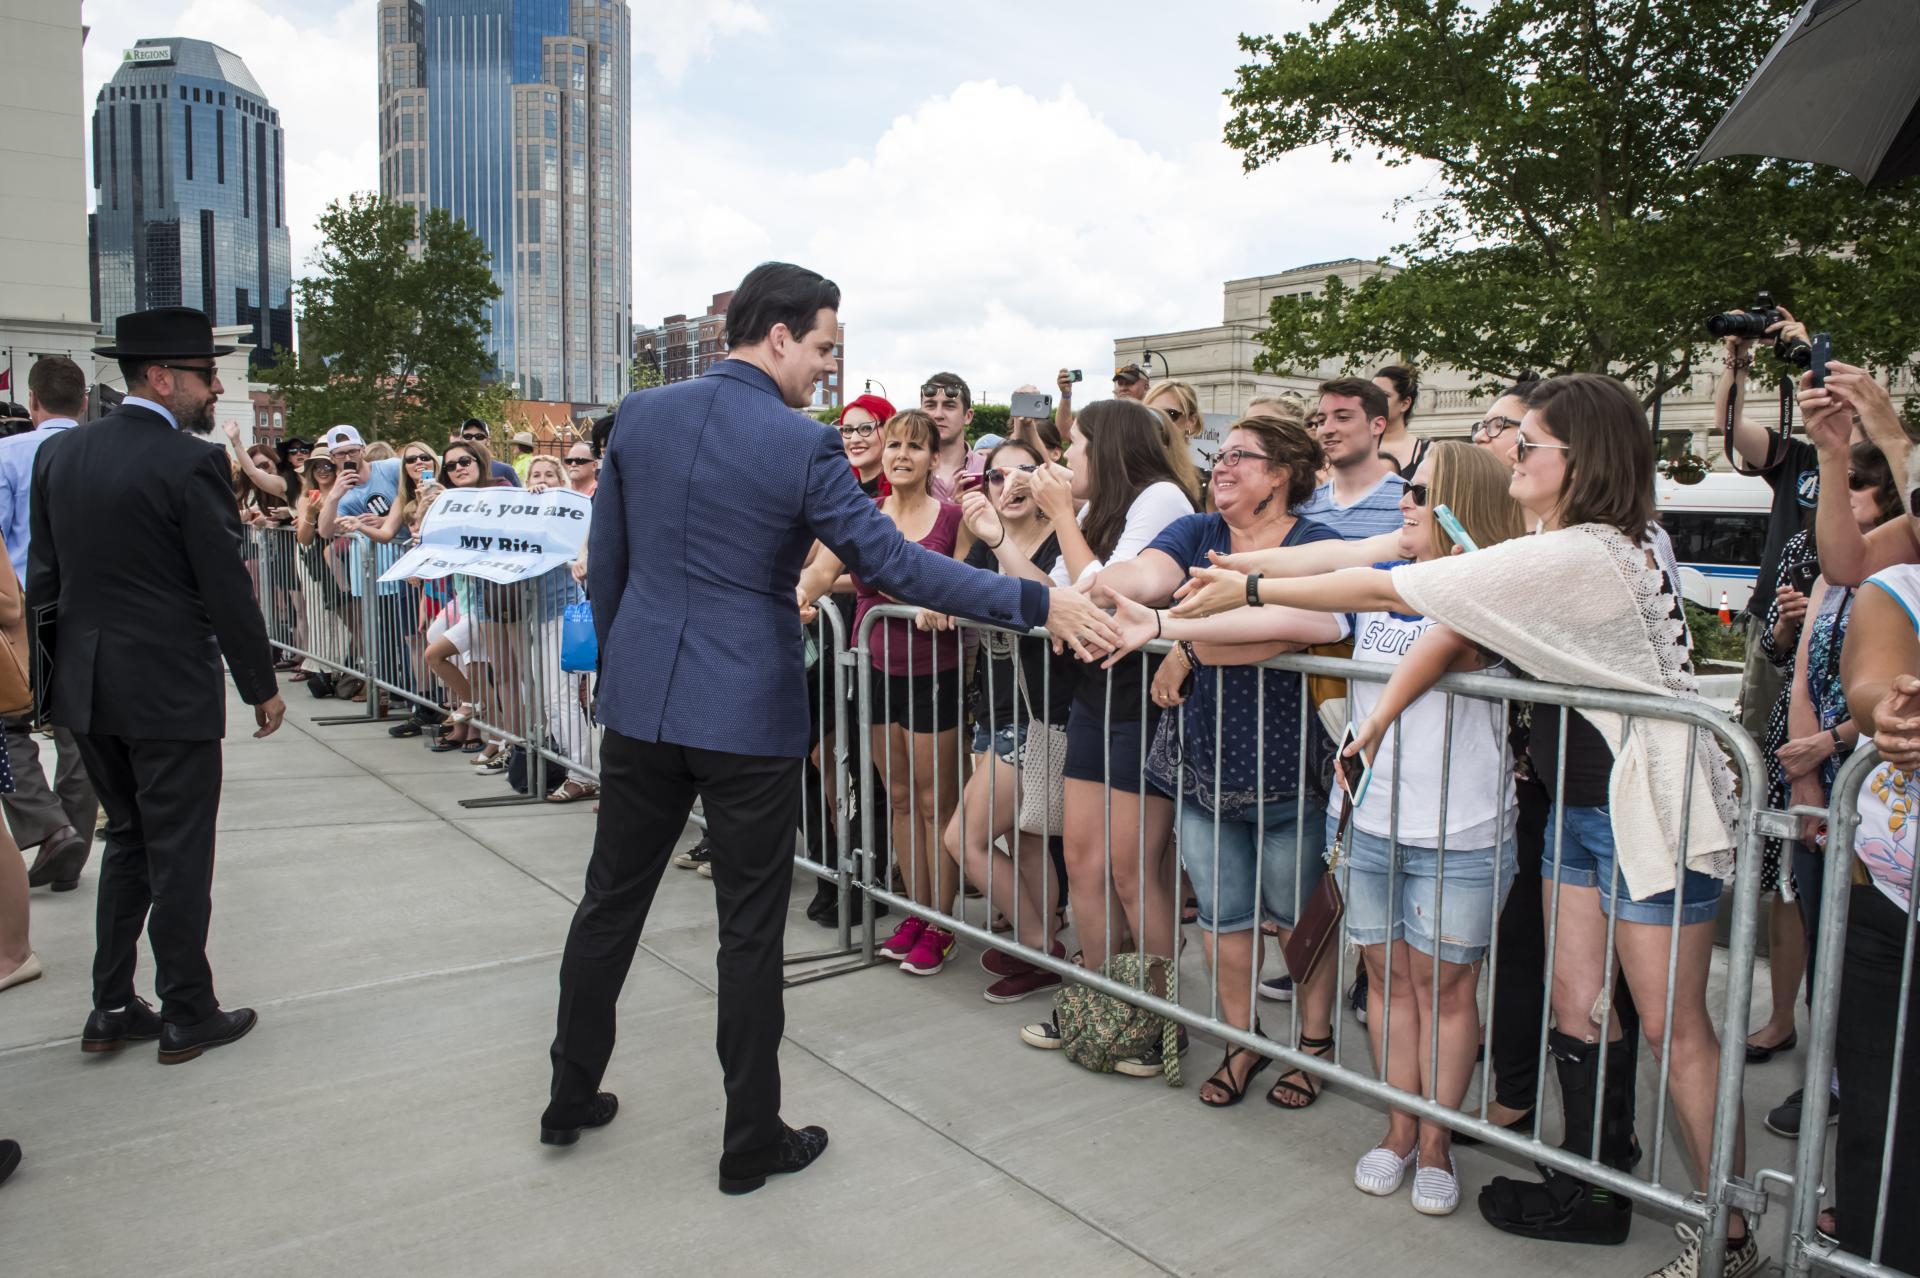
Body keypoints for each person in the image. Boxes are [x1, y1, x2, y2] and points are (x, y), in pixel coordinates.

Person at [542, 262, 1117, 1192]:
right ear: (778, 336)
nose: (823, 369)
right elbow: (897, 564)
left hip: (643, 705)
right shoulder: (796, 444)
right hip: (745, 714)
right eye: (820, 347)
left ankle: (569, 1096)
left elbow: (608, 565)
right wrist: (1034, 604)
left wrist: (627, 665)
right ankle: (749, 1140)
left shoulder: (641, 416)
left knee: (608, 902)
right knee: (748, 933)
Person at [1171, 373, 1758, 1278]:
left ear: (1582, 460)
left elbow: (1389, 584)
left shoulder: (1586, 552)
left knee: (1676, 1030)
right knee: (1578, 1010)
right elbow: (1383, 571)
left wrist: (1242, 583)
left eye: (1529, 444)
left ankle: (1731, 1237)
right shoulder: (1550, 540)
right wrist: (1235, 578)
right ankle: (1591, 1188)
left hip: (1655, 811)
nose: (1511, 454)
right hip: (1578, 803)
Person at [34, 306, 285, 1065]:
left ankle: (111, 1005)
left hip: (88, 688)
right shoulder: (190, 462)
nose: (215, 388)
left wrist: (53, 690)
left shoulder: (62, 455)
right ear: (160, 377)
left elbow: (46, 581)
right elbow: (224, 588)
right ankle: (187, 1010)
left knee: (131, 843)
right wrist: (259, 684)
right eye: (207, 375)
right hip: (166, 688)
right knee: (178, 850)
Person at [1094, 415, 1349, 1107]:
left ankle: (1313, 1044)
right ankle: (1243, 1043)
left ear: (1281, 475)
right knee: (1222, 920)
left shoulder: (1316, 544)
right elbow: (1148, 572)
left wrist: (1181, 637)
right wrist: (1107, 587)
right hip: (1204, 770)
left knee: (1301, 924)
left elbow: (1294, 626)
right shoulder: (1199, 533)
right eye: (1219, 454)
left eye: (1242, 456)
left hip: (1292, 772)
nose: (1222, 466)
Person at [996, 399, 1195, 1067]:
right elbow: (1053, 597)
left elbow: (1107, 596)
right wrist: (1001, 540)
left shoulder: (1161, 497)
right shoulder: (1086, 511)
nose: (1062, 458)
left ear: (1108, 449)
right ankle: (1100, 999)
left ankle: (1161, 1019)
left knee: (1133, 870)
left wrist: (1059, 520)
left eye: (1074, 445)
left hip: (1144, 705)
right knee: (1081, 860)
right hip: (1090, 698)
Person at [799, 410, 973, 976]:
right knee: (898, 797)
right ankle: (912, 912)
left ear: (931, 458)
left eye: (914, 448)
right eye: (893, 444)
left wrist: (942, 601)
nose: (900, 455)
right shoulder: (864, 515)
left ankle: (940, 923)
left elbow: (969, 586)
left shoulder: (952, 518)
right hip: (872, 674)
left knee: (933, 803)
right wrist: (793, 597)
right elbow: (821, 571)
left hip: (933, 676)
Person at [945, 439, 1078, 1001]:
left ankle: (1038, 948)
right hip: (992, 704)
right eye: (996, 477)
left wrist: (997, 542)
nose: (1011, 484)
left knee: (964, 839)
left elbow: (1058, 605)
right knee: (1023, 839)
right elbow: (954, 593)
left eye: (1025, 471)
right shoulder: (984, 541)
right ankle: (1040, 941)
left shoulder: (1062, 540)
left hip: (1036, 713)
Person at [1834, 560, 1920, 1274]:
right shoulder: (1899, 587)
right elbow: (1872, 686)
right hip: (1888, 907)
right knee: (1878, 1117)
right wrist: (1887, 708)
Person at [0, 355, 98, 893]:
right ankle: (72, 838)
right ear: (83, 401)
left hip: (20, 607)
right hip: (84, 606)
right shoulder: (99, 451)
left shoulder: (7, 454)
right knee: (75, 727)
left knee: (6, 724)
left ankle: (49, 824)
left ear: (33, 402)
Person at [1296, 377, 1408, 538]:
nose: (1327, 430)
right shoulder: (1303, 505)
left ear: (1377, 425)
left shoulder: (1410, 502)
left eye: (1342, 418)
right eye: (1321, 421)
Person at [1142, 378, 1206, 507]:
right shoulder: (1130, 476)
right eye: (1151, 414)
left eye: (1170, 414)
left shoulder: (1209, 486)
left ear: (1191, 421)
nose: (1159, 422)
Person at [919, 372, 982, 502]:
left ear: (968, 416)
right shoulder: (908, 468)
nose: (938, 414)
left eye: (949, 406)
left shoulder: (987, 469)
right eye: (930, 405)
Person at [1373, 365, 1429, 478]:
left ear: (1404, 404)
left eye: (1384, 395)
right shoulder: (1355, 447)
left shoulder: (1428, 452)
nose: (1373, 400)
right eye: (1370, 394)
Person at [457, 419, 524, 486]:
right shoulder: (453, 470)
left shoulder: (505, 470)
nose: (473, 440)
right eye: (468, 436)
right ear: (460, 440)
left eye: (479, 437)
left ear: (488, 441)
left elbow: (519, 496)